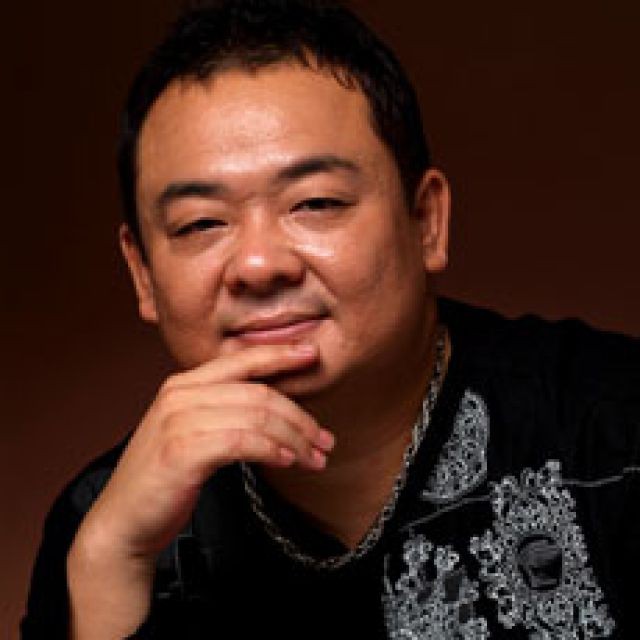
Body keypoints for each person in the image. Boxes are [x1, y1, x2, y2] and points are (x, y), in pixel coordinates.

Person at [21, 0, 639, 638]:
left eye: (314, 203)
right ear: (144, 274)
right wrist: (111, 565)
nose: (258, 265)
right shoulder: (107, 521)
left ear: (426, 221)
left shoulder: (613, 431)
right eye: (201, 223)